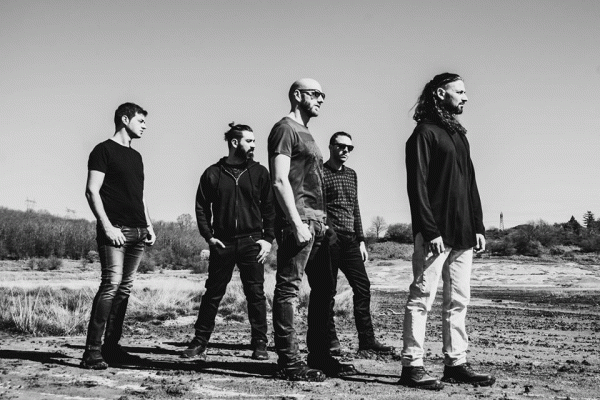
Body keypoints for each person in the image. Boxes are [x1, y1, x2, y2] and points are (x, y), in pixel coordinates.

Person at [399, 73, 496, 390]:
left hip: (464, 233)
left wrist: (478, 225)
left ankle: (455, 364)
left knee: (458, 301)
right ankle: (412, 366)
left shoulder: (459, 136)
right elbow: (417, 187)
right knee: (421, 298)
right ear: (441, 94)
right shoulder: (423, 133)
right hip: (435, 235)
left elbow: (470, 184)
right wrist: (429, 230)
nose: (465, 97)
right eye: (460, 91)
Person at [268, 79, 357, 381]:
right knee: (288, 289)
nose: (321, 98)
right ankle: (289, 362)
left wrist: (324, 223)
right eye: (315, 93)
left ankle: (320, 355)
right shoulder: (285, 129)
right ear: (297, 95)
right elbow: (279, 180)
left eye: (323, 95)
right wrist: (295, 223)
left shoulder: (307, 132)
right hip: (300, 221)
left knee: (324, 291)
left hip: (319, 223)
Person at [182, 123, 275, 361]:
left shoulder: (260, 172)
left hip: (252, 242)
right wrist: (209, 236)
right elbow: (201, 207)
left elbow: (270, 208)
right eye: (249, 141)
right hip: (222, 243)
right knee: (213, 293)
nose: (254, 145)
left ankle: (260, 343)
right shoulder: (213, 173)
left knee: (255, 294)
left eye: (254, 141)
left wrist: (267, 239)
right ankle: (200, 341)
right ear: (235, 143)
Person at [81, 102, 156, 369]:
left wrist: (149, 225)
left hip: (138, 231)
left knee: (124, 289)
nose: (145, 126)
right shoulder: (103, 150)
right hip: (116, 231)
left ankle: (111, 348)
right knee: (111, 285)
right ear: (125, 119)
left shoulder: (136, 157)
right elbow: (92, 191)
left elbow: (140, 195)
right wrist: (107, 227)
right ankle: (92, 352)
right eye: (141, 121)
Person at [323, 131, 393, 355]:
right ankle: (330, 340)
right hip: (330, 240)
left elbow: (355, 208)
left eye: (350, 148)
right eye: (342, 146)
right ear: (331, 146)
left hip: (351, 240)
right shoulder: (320, 173)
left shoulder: (352, 174)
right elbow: (319, 207)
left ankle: (367, 340)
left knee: (362, 286)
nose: (346, 151)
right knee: (327, 290)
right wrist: (326, 231)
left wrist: (361, 240)